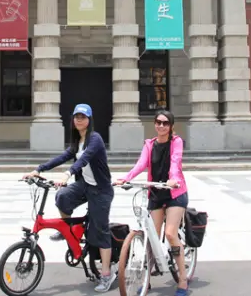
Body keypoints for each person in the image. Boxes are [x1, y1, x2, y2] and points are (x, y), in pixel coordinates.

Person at [23, 103, 116, 293]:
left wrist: (67, 174)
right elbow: (62, 157)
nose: (79, 120)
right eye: (76, 117)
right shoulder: (77, 140)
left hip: (101, 190)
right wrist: (39, 169)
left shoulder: (95, 139)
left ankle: (107, 274)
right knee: (62, 196)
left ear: (89, 120)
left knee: (100, 231)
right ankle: (69, 230)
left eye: (83, 117)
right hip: (85, 185)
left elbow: (85, 159)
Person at [114, 110, 190, 296]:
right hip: (156, 192)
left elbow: (175, 162)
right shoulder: (149, 144)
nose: (161, 126)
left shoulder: (176, 142)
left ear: (171, 126)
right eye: (158, 122)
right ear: (155, 124)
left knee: (170, 234)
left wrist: (173, 179)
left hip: (174, 193)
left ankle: (182, 279)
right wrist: (126, 178)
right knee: (151, 238)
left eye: (165, 123)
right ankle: (146, 280)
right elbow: (141, 164)